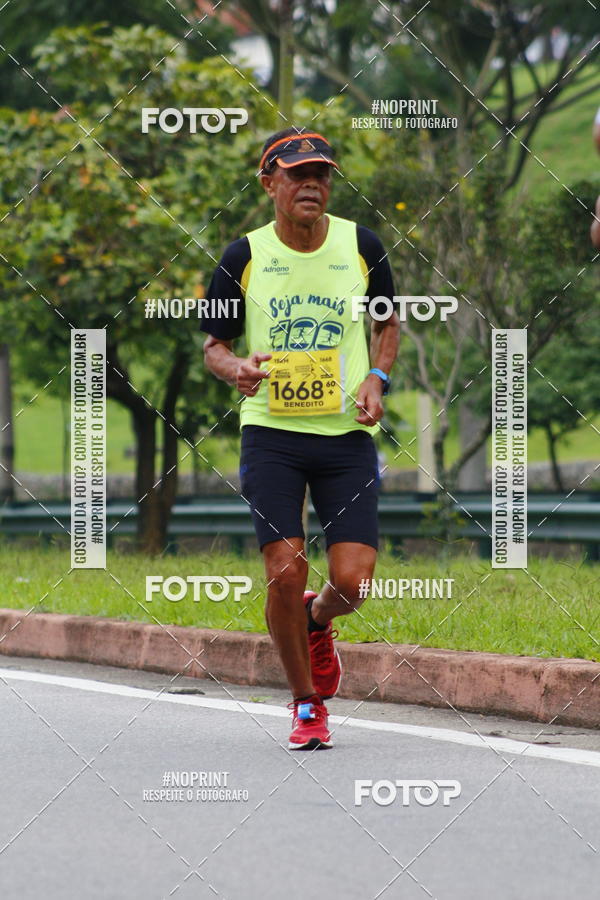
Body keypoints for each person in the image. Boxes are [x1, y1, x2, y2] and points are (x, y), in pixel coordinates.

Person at [201, 128, 400, 749]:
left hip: (345, 437)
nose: (312, 184)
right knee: (285, 571)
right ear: (270, 185)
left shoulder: (361, 245)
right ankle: (306, 704)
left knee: (353, 582)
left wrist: (376, 377)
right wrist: (237, 370)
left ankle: (320, 620)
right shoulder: (243, 256)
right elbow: (214, 347)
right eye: (297, 175)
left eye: (321, 175)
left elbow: (387, 321)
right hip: (272, 436)